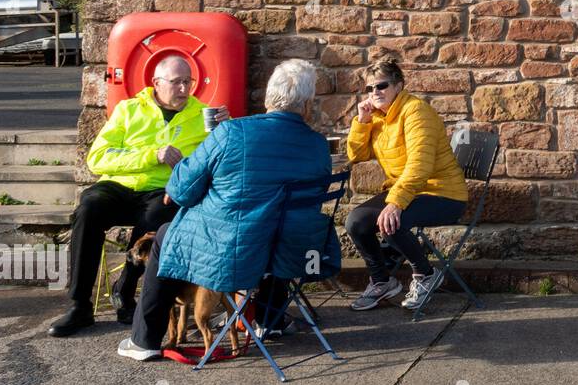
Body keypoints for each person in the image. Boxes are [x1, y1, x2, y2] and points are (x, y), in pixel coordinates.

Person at [118, 59, 340, 361]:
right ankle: (269, 320)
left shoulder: (232, 132)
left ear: (267, 99)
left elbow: (182, 189)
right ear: (306, 105)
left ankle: (145, 341)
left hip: (232, 250)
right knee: (275, 223)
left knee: (165, 235)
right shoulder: (317, 145)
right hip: (293, 248)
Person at [49, 54, 227, 337]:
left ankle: (126, 290)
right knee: (89, 207)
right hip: (121, 185)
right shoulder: (128, 110)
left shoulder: (202, 114)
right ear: (156, 83)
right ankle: (79, 305)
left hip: (163, 190)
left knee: (158, 212)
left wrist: (223, 130)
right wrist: (151, 155)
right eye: (176, 82)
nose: (183, 89)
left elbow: (217, 162)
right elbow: (97, 158)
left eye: (188, 82)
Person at [344, 58, 468, 312]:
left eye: (381, 86)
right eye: (369, 88)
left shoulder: (416, 111)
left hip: (442, 192)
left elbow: (420, 165)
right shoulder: (378, 116)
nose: (375, 93)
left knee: (390, 222)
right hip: (407, 189)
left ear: (399, 85)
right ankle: (382, 281)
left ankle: (426, 274)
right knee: (355, 221)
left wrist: (395, 203)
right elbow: (356, 155)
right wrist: (362, 121)